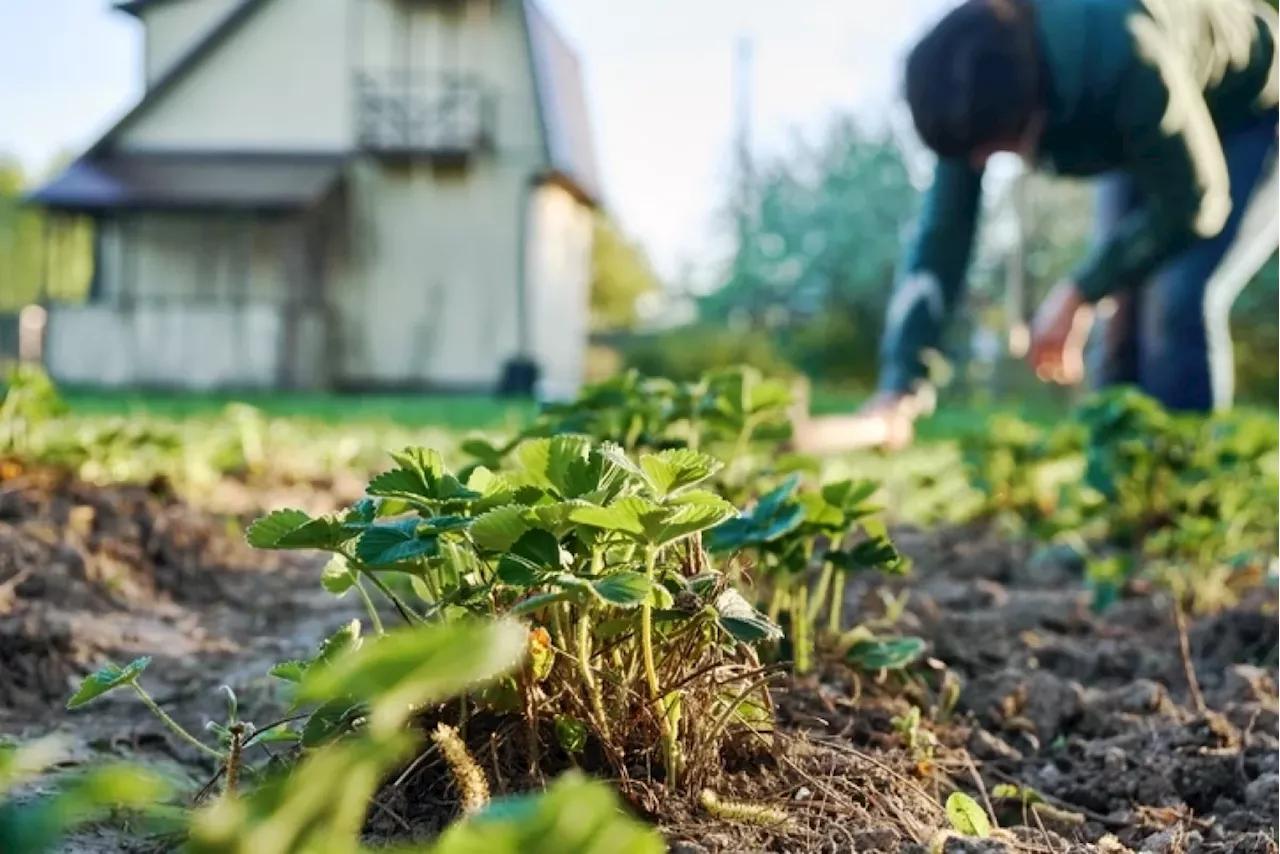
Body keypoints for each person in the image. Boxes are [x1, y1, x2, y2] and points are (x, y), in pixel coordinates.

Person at [790, 0, 1280, 454]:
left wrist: (1079, 292)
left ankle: (1188, 498)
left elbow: (1195, 204)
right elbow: (945, 234)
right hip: (1149, 124)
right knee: (1120, 318)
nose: (984, 162)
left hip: (1251, 115)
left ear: (1032, 103)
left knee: (1176, 298)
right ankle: (1123, 502)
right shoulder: (970, 89)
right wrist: (903, 379)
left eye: (993, 151)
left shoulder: (1123, 55)